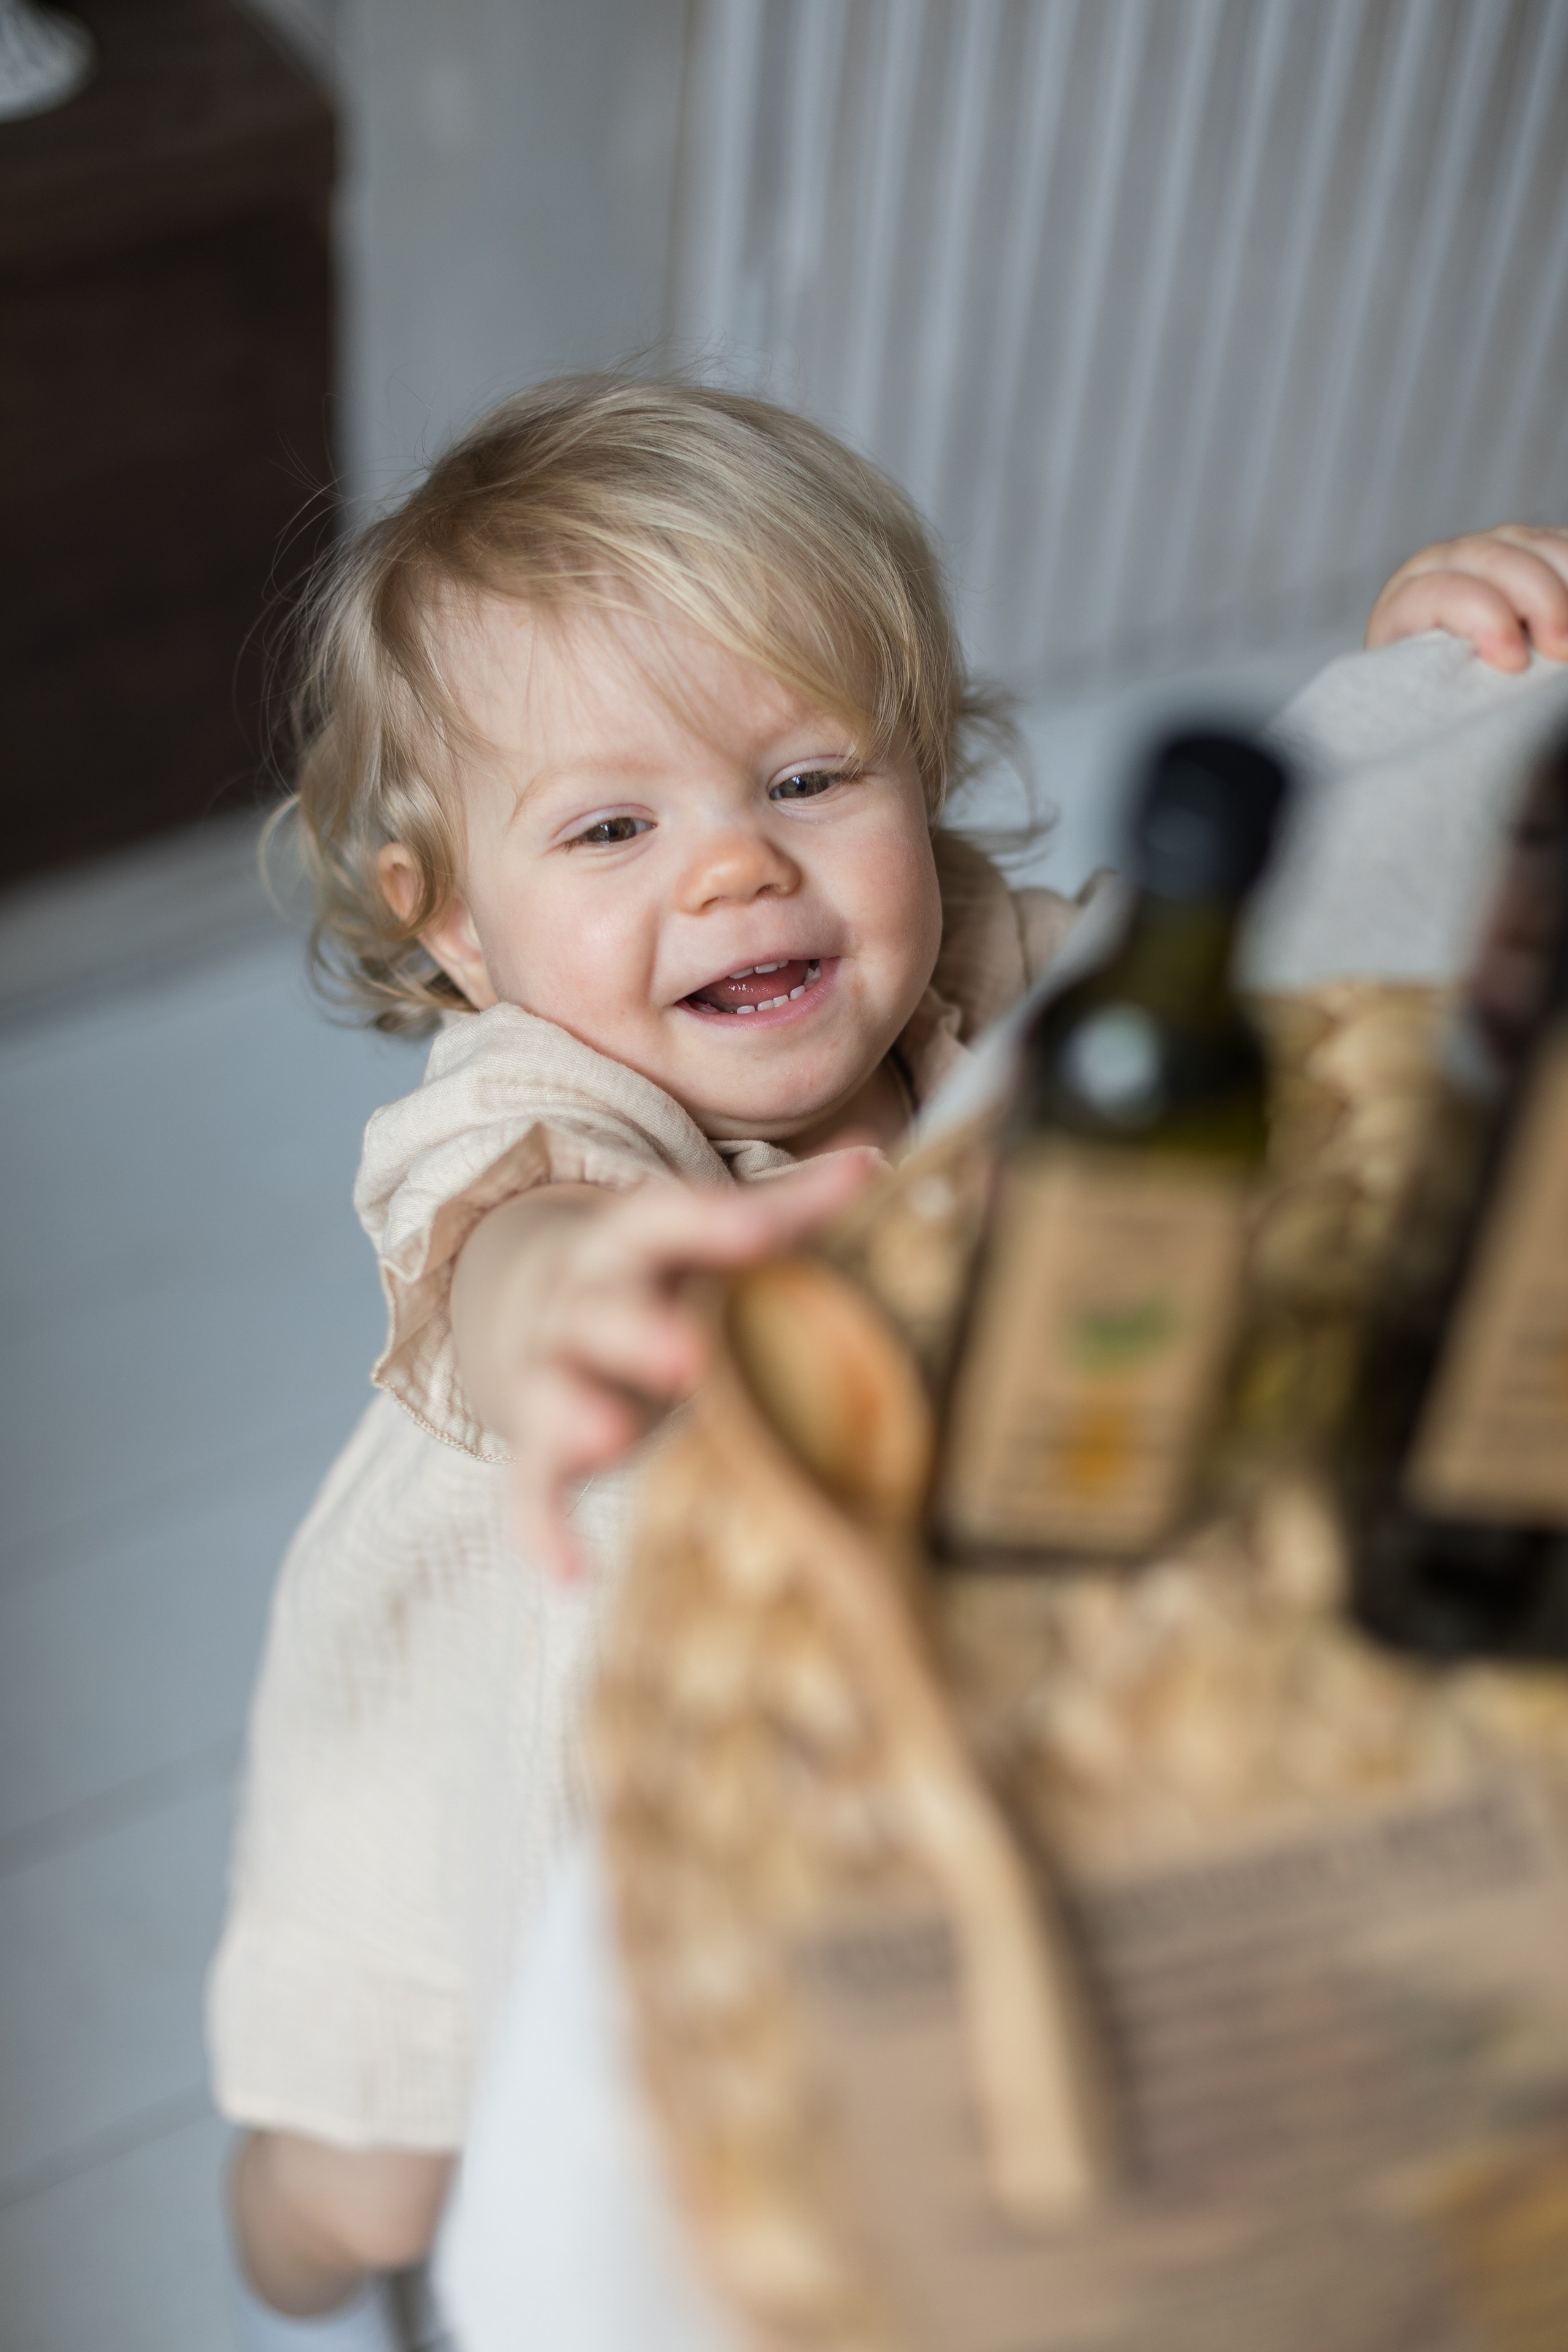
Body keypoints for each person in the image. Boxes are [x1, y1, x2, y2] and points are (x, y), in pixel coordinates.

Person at [211, 367, 1568, 2351]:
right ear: (465, 933)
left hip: (808, 1713)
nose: (736, 869)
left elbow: (1228, 989)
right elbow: (500, 1247)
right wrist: (594, 1302)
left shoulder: (984, 970)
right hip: (500, 1703)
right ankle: (287, 2241)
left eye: (809, 780)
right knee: (375, 2166)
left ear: (915, 777)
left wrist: (1396, 691)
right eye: (609, 824)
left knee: (714, 2107)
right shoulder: (532, 1100)